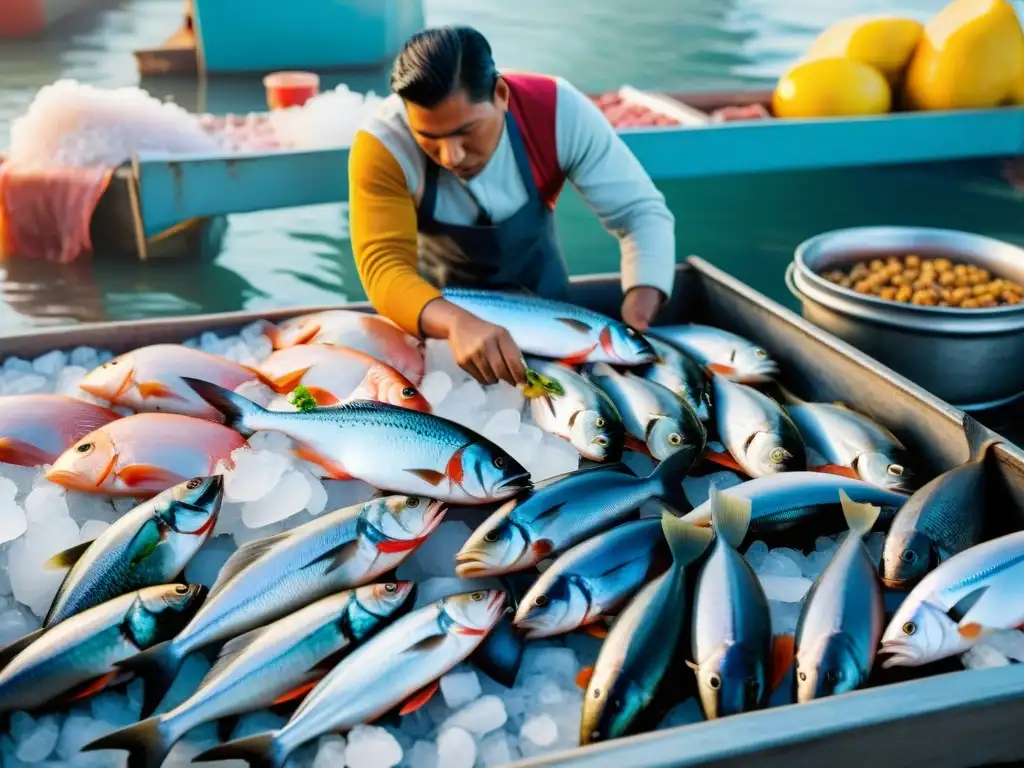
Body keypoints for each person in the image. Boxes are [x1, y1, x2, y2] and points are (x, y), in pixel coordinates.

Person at [349, 25, 676, 386]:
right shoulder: (382, 144)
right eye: (429, 138)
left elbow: (639, 214)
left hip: (551, 309)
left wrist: (639, 313)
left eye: (466, 131)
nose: (451, 156)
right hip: (438, 330)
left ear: (501, 94)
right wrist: (456, 322)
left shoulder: (556, 110)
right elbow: (385, 268)